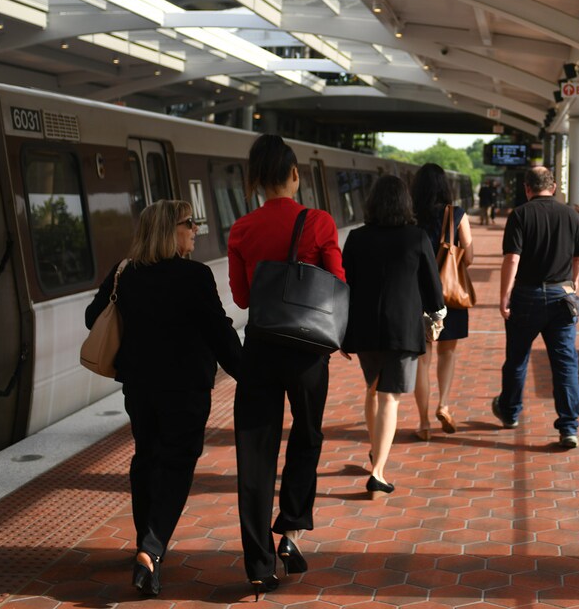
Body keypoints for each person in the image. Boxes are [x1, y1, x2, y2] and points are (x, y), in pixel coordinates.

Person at [84, 200, 242, 597]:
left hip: (139, 386)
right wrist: (249, 372)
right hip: (185, 388)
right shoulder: (195, 276)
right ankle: (151, 549)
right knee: (177, 463)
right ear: (171, 230)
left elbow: (92, 317)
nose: (195, 231)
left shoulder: (126, 272)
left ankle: (146, 545)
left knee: (147, 457)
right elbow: (218, 331)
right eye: (191, 224)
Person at [227, 135, 346, 596]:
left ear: (255, 180)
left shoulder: (241, 229)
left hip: (259, 348)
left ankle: (258, 565)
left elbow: (241, 297)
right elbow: (336, 283)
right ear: (295, 174)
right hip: (307, 350)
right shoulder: (318, 222)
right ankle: (292, 526)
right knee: (308, 432)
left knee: (254, 454)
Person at [341, 174, 445, 498]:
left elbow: (345, 287)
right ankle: (378, 471)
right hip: (402, 329)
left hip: (364, 328)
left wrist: (343, 333)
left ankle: (376, 452)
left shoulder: (357, 238)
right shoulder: (416, 237)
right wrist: (437, 317)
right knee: (390, 397)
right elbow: (433, 288)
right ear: (405, 203)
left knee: (372, 390)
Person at [492, 166, 579, 449]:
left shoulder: (520, 215)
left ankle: (510, 413)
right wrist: (574, 283)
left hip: (526, 296)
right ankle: (568, 427)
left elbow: (512, 259)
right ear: (553, 187)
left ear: (527, 188)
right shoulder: (571, 214)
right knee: (565, 364)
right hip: (562, 297)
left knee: (517, 359)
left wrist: (504, 295)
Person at [410, 163, 474, 441]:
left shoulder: (409, 216)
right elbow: (468, 258)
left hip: (416, 295)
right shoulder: (456, 215)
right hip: (450, 295)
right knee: (448, 353)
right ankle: (443, 404)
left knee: (422, 359)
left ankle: (423, 423)